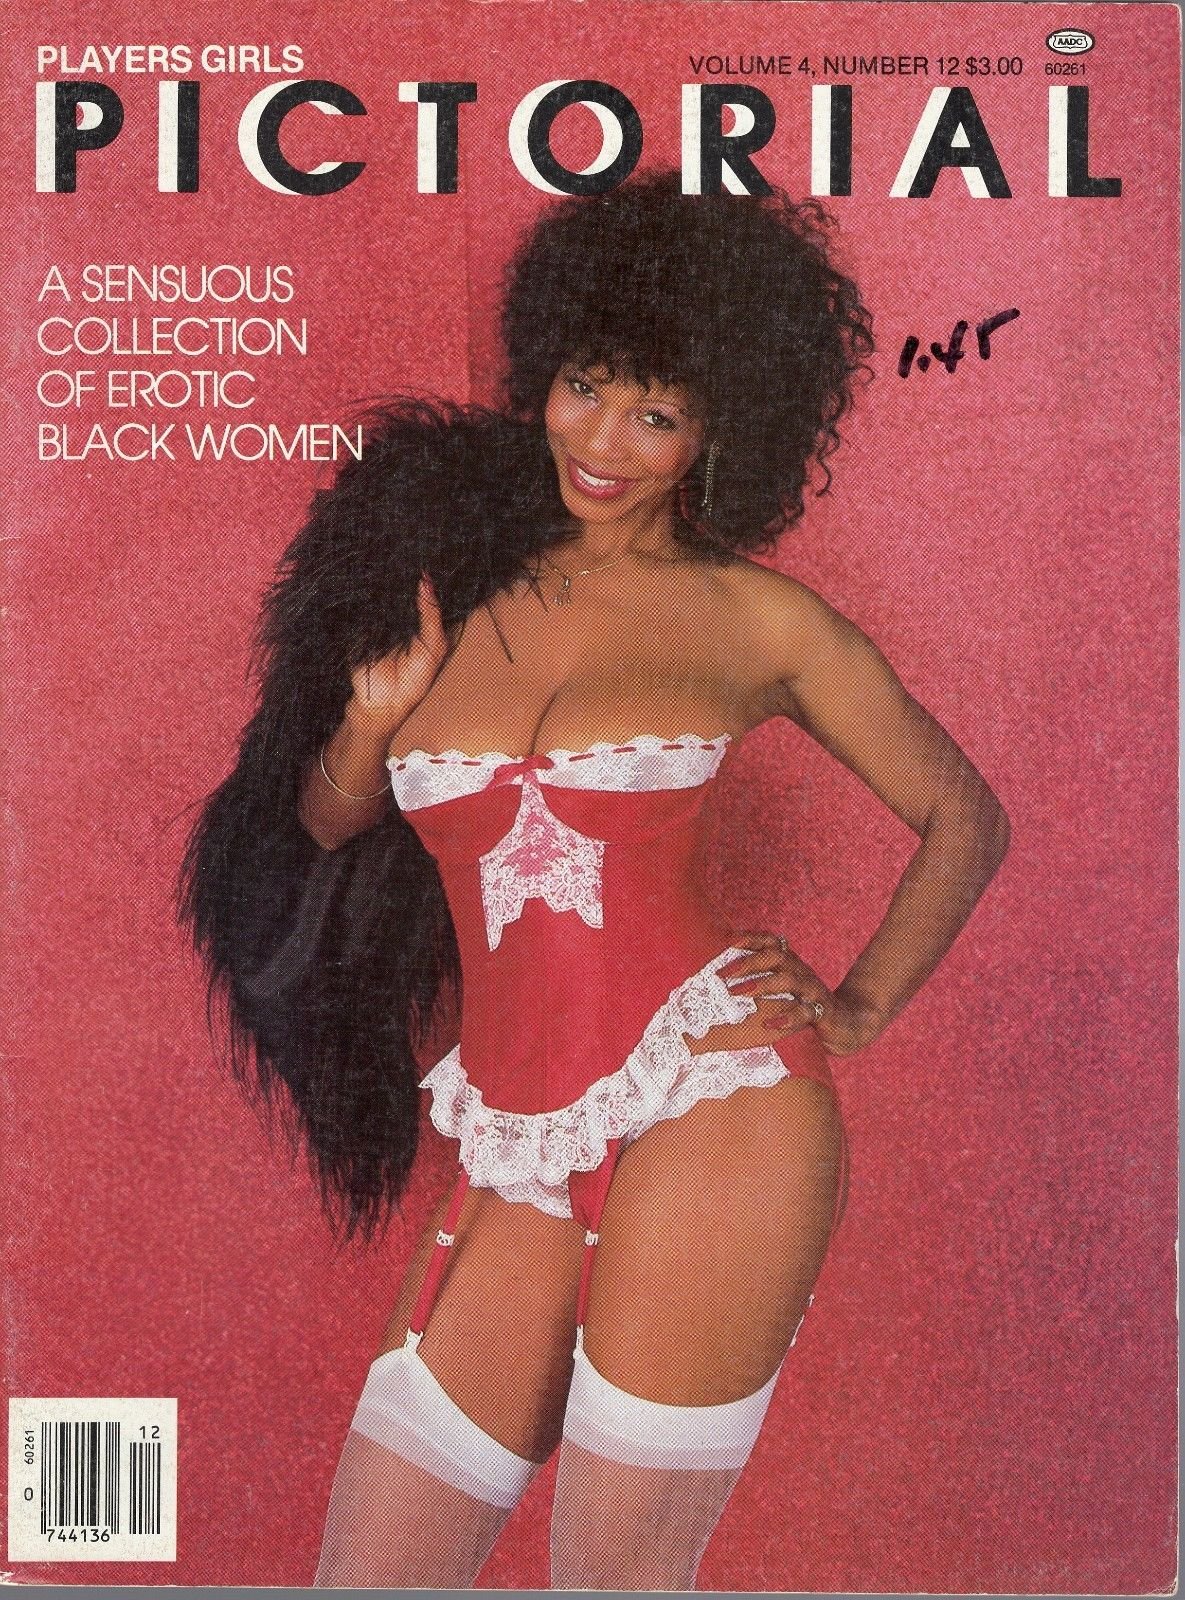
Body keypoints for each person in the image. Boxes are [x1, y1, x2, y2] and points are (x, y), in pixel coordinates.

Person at [181, 173, 1009, 1590]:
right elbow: (322, 827)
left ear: (722, 428)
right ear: (545, 371)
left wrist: (859, 1005)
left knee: (614, 1583)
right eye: (585, 388)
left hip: (715, 1100)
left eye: (657, 414)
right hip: (510, 1137)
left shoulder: (758, 619)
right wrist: (372, 722)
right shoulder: (454, 582)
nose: (603, 442)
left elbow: (961, 816)